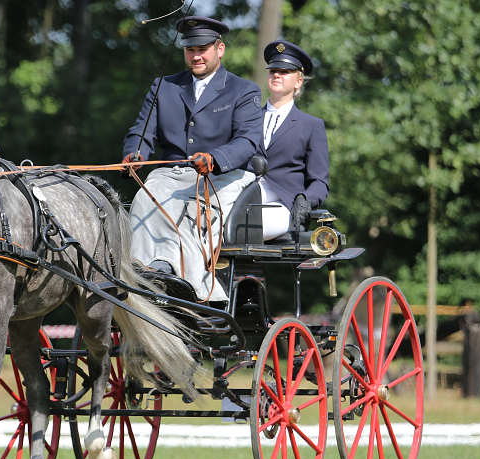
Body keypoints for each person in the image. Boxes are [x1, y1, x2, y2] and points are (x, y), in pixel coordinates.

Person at [122, 16, 263, 302]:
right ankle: (141, 273)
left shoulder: (244, 90)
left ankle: (188, 283)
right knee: (145, 198)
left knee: (192, 211)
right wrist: (135, 153)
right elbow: (142, 131)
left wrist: (214, 158)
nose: (196, 55)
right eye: (190, 50)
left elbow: (248, 141)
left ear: (219, 49)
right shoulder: (164, 86)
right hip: (172, 173)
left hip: (224, 174)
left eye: (203, 49)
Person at [259, 41, 329, 240]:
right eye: (273, 70)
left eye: (285, 71)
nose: (277, 75)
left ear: (298, 81)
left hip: (284, 204)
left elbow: (320, 182)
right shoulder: (248, 117)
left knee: (244, 225)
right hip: (245, 196)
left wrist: (305, 200)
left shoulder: (311, 125)